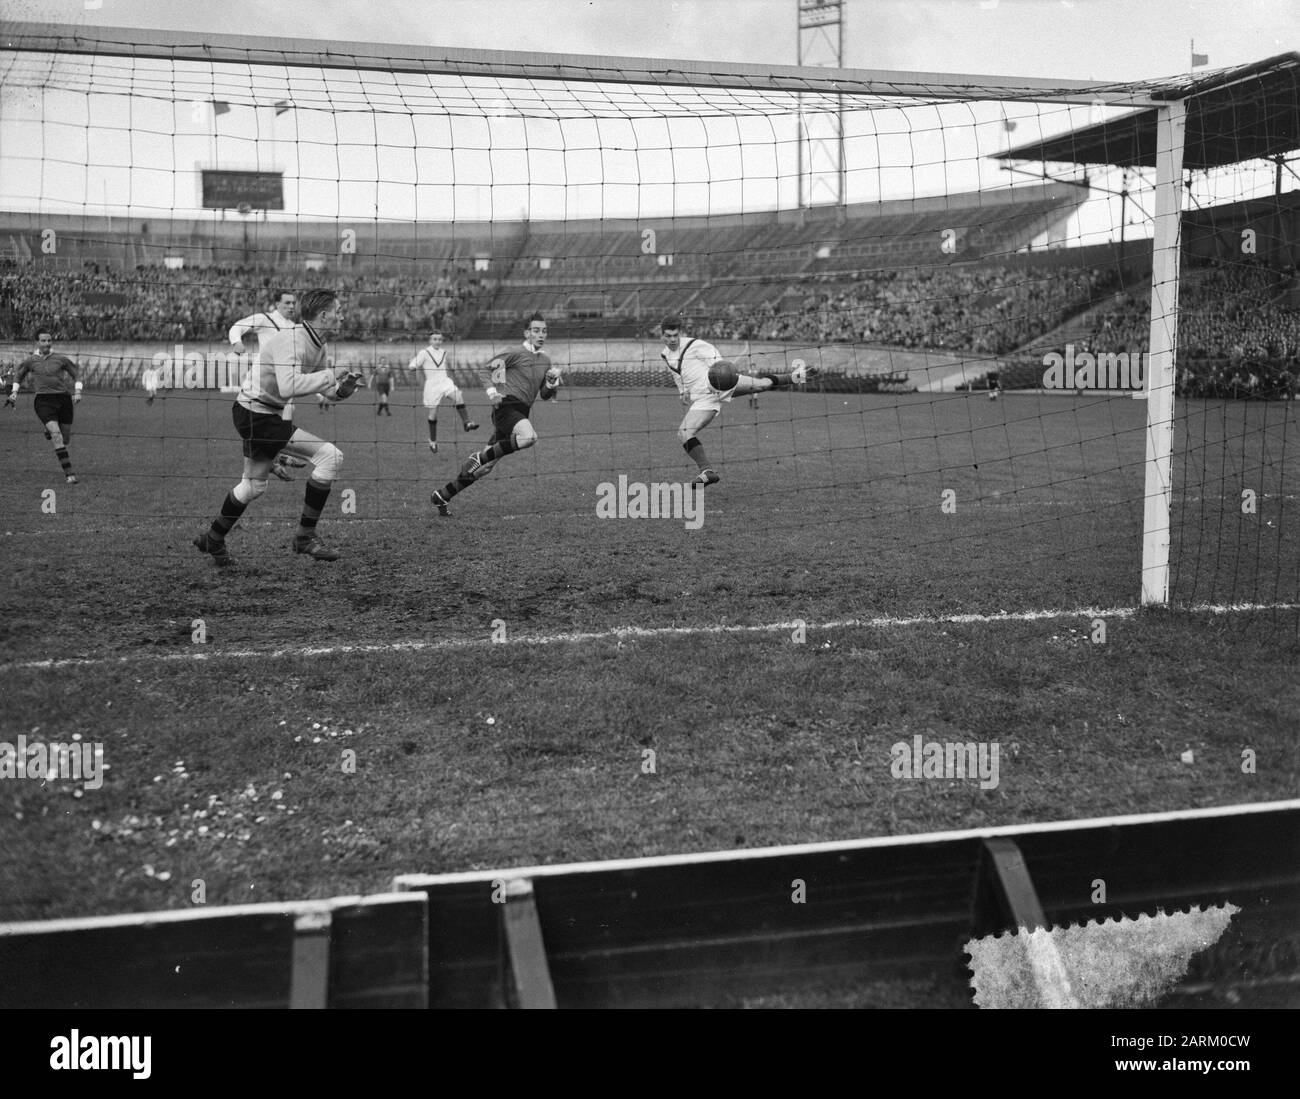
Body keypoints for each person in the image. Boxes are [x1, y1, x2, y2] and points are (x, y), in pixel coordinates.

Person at [194, 289, 363, 567]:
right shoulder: (292, 341)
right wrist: (331, 374)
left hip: (261, 413)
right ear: (324, 315)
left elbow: (327, 392)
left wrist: (343, 389)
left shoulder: (319, 344)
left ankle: (213, 538)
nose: (342, 315)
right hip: (255, 414)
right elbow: (289, 386)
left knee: (253, 486)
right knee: (330, 457)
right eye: (339, 310)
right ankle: (305, 537)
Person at [658, 315, 814, 485]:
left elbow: (717, 360)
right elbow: (677, 373)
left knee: (761, 385)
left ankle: (796, 376)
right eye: (668, 336)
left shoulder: (693, 345)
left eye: (675, 335)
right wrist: (683, 391)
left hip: (719, 385)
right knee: (684, 432)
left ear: (680, 333)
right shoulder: (665, 354)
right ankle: (707, 472)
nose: (673, 339)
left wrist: (718, 379)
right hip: (703, 399)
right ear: (662, 335)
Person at [430, 312, 558, 516]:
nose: (540, 334)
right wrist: (492, 393)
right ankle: (479, 457)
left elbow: (544, 395)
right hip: (506, 408)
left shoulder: (546, 361)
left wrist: (551, 383)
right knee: (529, 437)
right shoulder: (514, 352)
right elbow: (485, 370)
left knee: (484, 468)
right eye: (536, 330)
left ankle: (443, 495)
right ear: (527, 333)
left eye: (544, 331)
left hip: (521, 414)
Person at [228, 289, 307, 479]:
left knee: (285, 415)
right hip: (262, 383)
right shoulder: (265, 319)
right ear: (277, 304)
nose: (291, 306)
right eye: (287, 303)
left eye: (293, 303)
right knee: (259, 421)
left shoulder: (295, 328)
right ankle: (278, 458)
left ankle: (275, 459)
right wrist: (236, 342)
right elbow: (237, 326)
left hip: (284, 384)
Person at [5, 330, 82, 484]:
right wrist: (14, 392)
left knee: (65, 438)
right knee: (56, 435)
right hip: (43, 400)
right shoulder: (30, 361)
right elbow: (19, 375)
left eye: (49, 340)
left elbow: (76, 374)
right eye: (43, 341)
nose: (47, 343)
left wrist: (78, 391)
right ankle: (69, 474)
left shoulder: (61, 359)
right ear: (37, 342)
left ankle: (49, 429)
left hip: (64, 400)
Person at [412, 329, 476, 452]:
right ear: (430, 340)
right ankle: (433, 441)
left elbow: (445, 366)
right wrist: (412, 366)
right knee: (433, 414)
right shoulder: (424, 352)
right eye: (435, 339)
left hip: (444, 381)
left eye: (440, 339)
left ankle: (467, 423)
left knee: (458, 397)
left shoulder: (444, 352)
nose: (437, 341)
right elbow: (415, 363)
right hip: (432, 385)